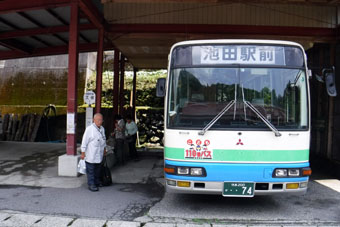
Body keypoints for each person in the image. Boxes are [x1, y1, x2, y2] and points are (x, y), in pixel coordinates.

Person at [80, 113, 106, 192]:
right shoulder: (89, 129)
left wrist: (105, 149)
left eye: (101, 120)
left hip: (99, 153)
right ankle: (91, 184)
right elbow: (84, 142)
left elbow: (104, 140)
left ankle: (97, 182)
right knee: (91, 170)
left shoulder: (102, 129)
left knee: (98, 169)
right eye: (98, 120)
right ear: (93, 120)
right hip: (91, 153)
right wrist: (83, 153)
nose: (100, 121)